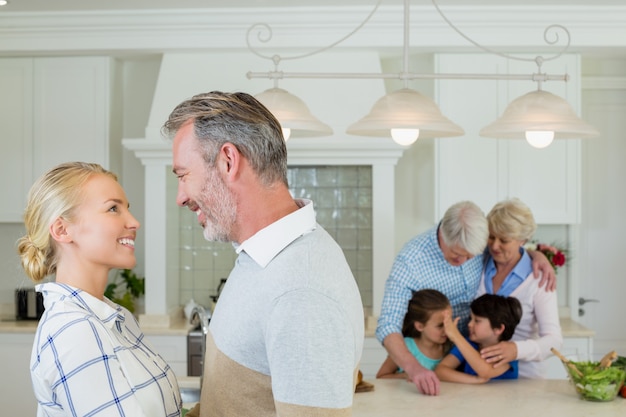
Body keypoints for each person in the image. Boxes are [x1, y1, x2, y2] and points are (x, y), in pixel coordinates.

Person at [162, 91, 364, 417]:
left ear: (228, 160)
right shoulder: (261, 256)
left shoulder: (302, 290)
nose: (180, 197)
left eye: (184, 175)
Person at [17, 162, 182, 417]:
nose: (134, 222)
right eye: (113, 208)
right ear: (63, 230)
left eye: (128, 208)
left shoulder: (115, 317)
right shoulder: (74, 330)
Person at [375, 200, 556, 396]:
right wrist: (414, 368)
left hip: (471, 359)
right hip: (435, 358)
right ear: (443, 233)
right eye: (456, 256)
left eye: (472, 257)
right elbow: (388, 324)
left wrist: (536, 255)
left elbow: (509, 247)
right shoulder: (411, 260)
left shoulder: (479, 241)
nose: (464, 261)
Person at [476, 198, 563, 378]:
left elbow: (554, 340)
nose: (494, 246)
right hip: (476, 376)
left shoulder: (539, 278)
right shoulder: (478, 264)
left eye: (504, 240)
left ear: (523, 240)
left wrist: (517, 350)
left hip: (524, 378)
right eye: (491, 237)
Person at [435, 293, 523, 383]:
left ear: (498, 329)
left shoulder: (508, 353)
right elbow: (440, 371)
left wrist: (456, 336)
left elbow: (486, 372)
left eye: (477, 321)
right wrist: (474, 380)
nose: (469, 324)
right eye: (470, 319)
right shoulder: (468, 344)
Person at [376, 289, 451, 378]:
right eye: (440, 325)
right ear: (420, 326)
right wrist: (406, 375)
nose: (447, 330)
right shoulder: (405, 346)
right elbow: (381, 376)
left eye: (449, 323)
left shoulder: (450, 348)